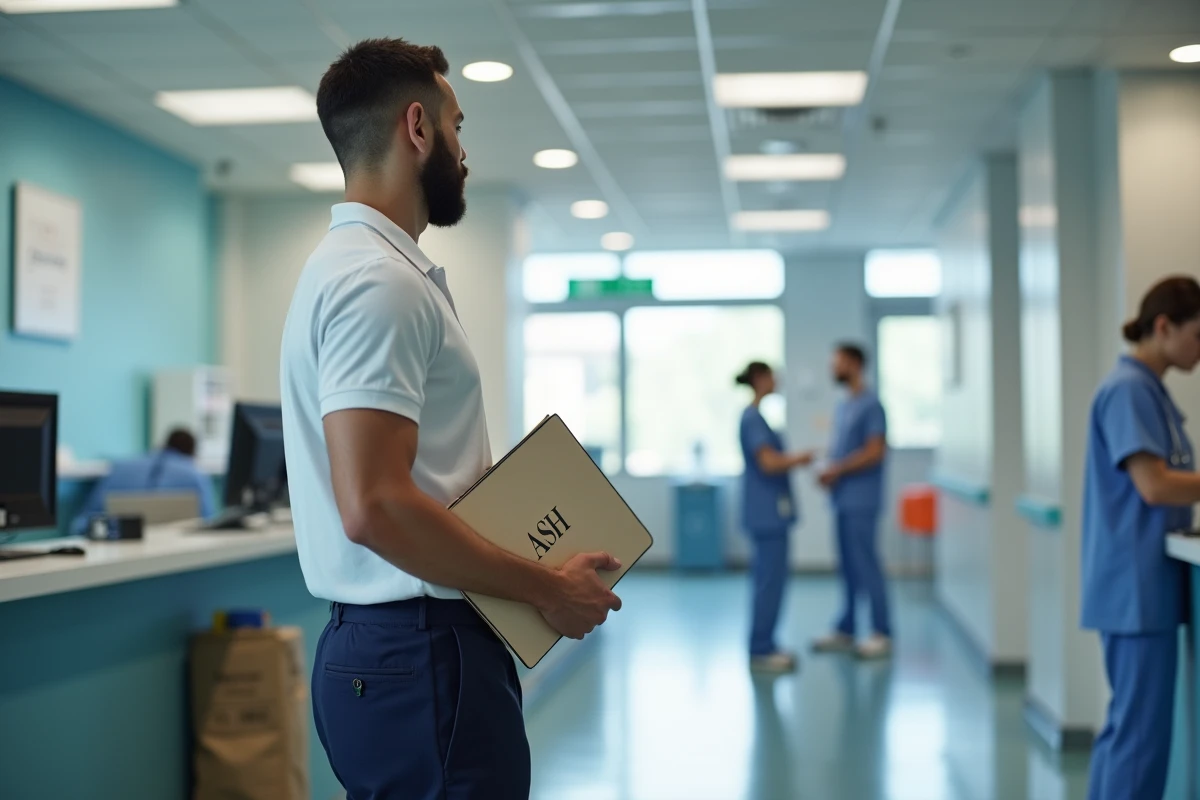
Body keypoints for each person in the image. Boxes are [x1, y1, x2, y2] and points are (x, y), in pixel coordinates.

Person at [280, 38, 623, 800]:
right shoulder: (379, 282)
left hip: (392, 653)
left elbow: (399, 485)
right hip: (422, 652)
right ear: (417, 128)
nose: (465, 150)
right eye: (457, 126)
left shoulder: (354, 269)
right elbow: (373, 506)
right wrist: (544, 587)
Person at [1082, 276, 1200, 800]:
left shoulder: (1147, 390)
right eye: (1198, 335)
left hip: (1140, 584)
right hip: (1135, 587)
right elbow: (1152, 486)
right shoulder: (1128, 390)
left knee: (1129, 731)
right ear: (1163, 327)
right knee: (1139, 738)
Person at [812, 343, 893, 659]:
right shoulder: (845, 405)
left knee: (867, 565)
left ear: (855, 365)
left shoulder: (872, 405)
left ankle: (881, 631)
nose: (834, 368)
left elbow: (875, 451)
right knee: (847, 567)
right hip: (843, 499)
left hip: (863, 500)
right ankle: (846, 629)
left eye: (839, 363)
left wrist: (838, 469)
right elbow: (843, 451)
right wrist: (828, 470)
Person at [737, 362, 814, 673]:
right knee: (768, 582)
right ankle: (761, 649)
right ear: (759, 379)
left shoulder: (758, 417)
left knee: (771, 581)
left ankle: (766, 643)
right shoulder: (752, 417)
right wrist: (802, 458)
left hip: (770, 512)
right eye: (771, 375)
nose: (777, 380)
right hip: (766, 513)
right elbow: (768, 463)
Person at [70, 428, 214, 534]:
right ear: (192, 453)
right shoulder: (194, 473)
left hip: (107, 540)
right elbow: (208, 523)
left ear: (163, 444)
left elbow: (83, 522)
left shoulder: (121, 466)